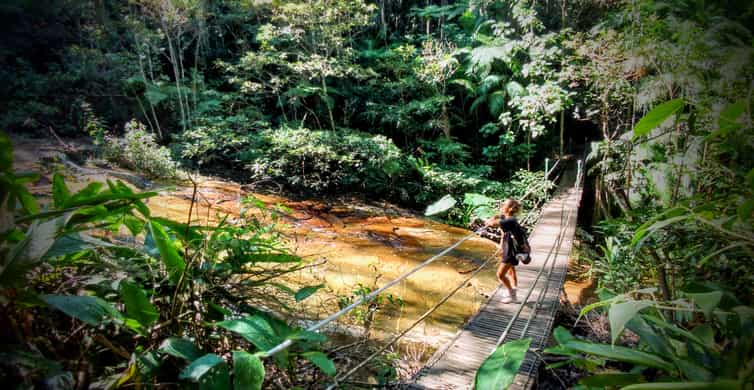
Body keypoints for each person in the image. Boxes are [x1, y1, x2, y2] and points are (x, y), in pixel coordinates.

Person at [484, 198, 530, 303]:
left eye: (504, 205)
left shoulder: (509, 220)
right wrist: (501, 246)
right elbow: (502, 230)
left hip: (511, 251)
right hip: (510, 248)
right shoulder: (508, 218)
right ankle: (513, 291)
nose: (501, 206)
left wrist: (489, 220)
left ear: (509, 208)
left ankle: (511, 294)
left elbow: (491, 224)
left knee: (500, 275)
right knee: (511, 270)